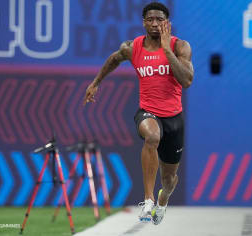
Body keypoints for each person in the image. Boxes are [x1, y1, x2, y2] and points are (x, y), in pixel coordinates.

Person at [83, 1, 193, 225]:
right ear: (143, 22)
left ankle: (162, 201)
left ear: (167, 23)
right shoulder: (133, 48)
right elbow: (113, 59)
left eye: (159, 20)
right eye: (150, 19)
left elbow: (187, 80)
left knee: (170, 180)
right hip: (148, 111)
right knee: (151, 136)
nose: (154, 23)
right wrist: (95, 83)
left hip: (173, 118)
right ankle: (148, 198)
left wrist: (165, 49)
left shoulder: (180, 46)